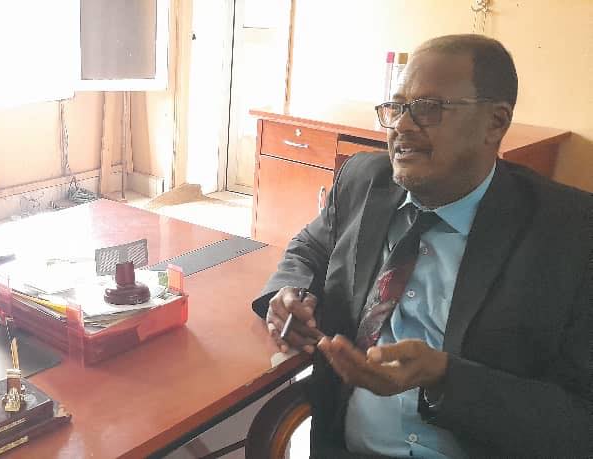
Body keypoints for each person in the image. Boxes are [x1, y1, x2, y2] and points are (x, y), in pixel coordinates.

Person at [253, 34, 591, 457]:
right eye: (396, 108)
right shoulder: (364, 181)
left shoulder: (570, 233)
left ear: (495, 123)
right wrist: (288, 293)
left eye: (429, 108)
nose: (402, 126)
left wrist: (444, 377)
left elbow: (580, 418)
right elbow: (310, 246)